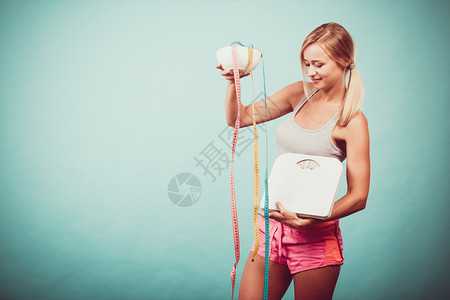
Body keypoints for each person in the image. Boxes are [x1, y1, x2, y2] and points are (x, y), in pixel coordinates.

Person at [216, 22, 370, 300]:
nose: (311, 71)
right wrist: (232, 81)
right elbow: (239, 118)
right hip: (270, 230)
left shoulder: (352, 121)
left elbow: (359, 197)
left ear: (344, 61)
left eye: (319, 64)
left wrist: (311, 221)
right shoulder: (299, 93)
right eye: (307, 63)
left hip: (314, 239)